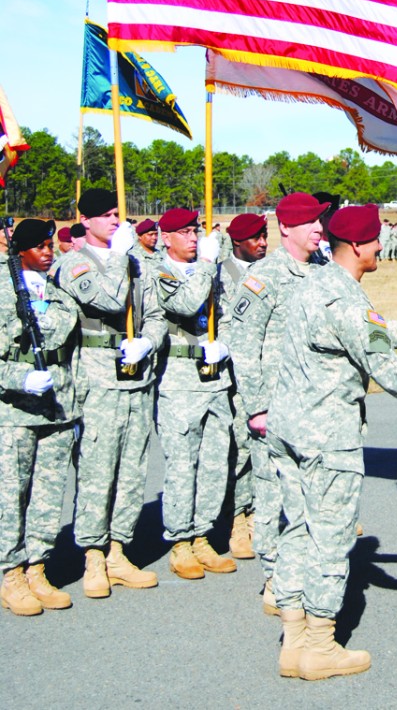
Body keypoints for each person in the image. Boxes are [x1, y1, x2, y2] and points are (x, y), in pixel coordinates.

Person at [267, 204, 397, 679]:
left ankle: (294, 639)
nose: (382, 246)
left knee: (297, 532)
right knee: (331, 538)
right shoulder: (345, 300)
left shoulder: (317, 284)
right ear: (359, 247)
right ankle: (320, 647)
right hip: (327, 438)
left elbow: (369, 337)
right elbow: (383, 365)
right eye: (377, 240)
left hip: (291, 430)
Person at [56, 188, 166, 599]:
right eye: (105, 215)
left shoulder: (137, 263)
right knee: (98, 470)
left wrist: (148, 342)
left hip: (136, 376)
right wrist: (119, 258)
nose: (115, 221)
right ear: (85, 221)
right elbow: (106, 298)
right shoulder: (73, 265)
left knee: (132, 469)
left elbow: (154, 314)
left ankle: (119, 548)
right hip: (96, 379)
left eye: (118, 213)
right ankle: (92, 556)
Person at [227, 192, 330, 613]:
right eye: (311, 223)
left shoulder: (325, 271)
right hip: (274, 408)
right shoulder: (263, 276)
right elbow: (243, 345)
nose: (319, 229)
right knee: (271, 496)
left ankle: (303, 570)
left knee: (310, 495)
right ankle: (273, 576)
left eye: (321, 221)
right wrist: (256, 407)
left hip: (315, 406)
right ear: (286, 228)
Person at [0, 219, 79, 615]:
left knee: (48, 496)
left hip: (57, 405)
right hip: (15, 409)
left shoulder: (53, 287)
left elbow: (66, 334)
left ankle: (37, 566)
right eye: (40, 246)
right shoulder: (3, 289)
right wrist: (18, 377)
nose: (49, 251)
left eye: (51, 244)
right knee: (11, 496)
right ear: (20, 250)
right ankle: (10, 572)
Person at [153, 208, 235, 579]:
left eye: (194, 231)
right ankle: (180, 541)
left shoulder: (214, 269)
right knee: (183, 465)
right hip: (179, 377)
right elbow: (184, 305)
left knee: (216, 462)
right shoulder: (159, 271)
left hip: (215, 376)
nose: (191, 237)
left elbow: (232, 313)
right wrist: (205, 262)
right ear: (165, 237)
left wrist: (227, 344)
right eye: (183, 232)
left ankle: (203, 535)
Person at [218, 212, 269, 560]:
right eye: (256, 238)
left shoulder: (270, 271)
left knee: (265, 451)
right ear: (237, 242)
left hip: (268, 374)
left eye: (265, 236)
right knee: (240, 453)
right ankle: (238, 519)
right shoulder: (222, 276)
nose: (264, 243)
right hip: (236, 378)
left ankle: (261, 517)